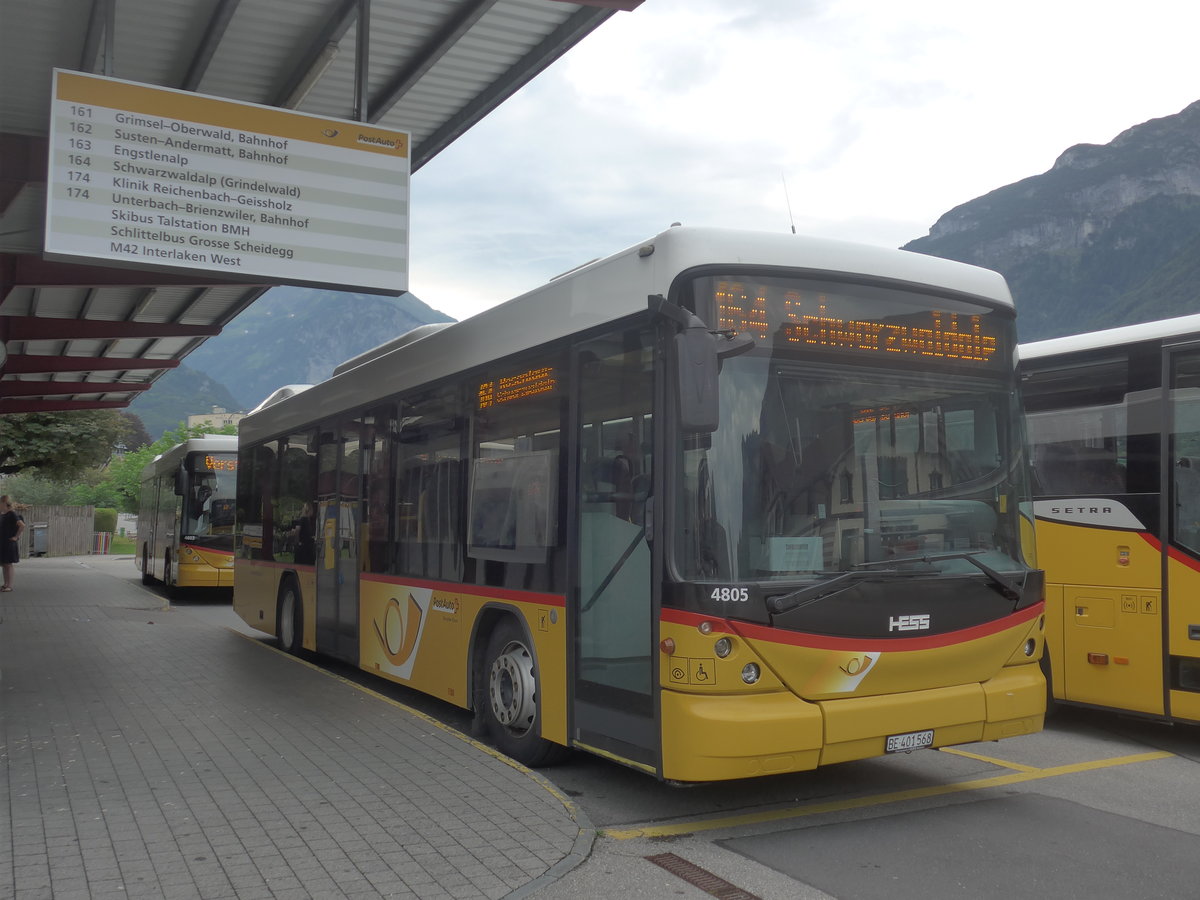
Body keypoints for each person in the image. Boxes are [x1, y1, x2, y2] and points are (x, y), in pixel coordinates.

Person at [1, 494, 26, 592]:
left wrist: (16, 537)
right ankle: (5, 584)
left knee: (8, 564)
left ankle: (9, 586)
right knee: (4, 564)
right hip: (3, 543)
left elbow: (22, 525)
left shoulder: (12, 513)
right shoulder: (4, 514)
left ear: (3, 503)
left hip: (9, 543)